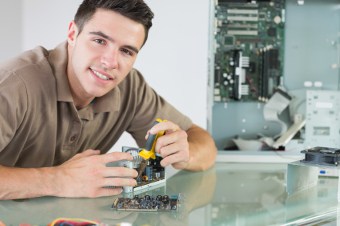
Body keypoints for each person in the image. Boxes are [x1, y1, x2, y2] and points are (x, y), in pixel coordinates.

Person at [0, 0, 217, 200]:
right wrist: (58, 180)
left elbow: (203, 142)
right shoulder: (14, 85)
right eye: (99, 40)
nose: (110, 62)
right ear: (73, 34)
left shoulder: (130, 87)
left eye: (126, 51)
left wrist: (185, 154)